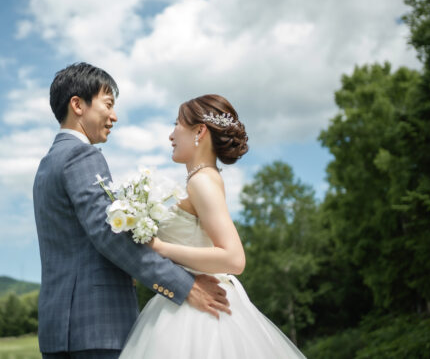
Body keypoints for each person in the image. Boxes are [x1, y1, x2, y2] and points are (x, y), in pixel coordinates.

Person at [33, 63, 230, 359]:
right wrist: (184, 285)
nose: (114, 116)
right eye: (108, 104)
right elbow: (108, 235)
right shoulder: (81, 155)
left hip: (58, 329)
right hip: (98, 327)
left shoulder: (47, 164)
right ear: (78, 105)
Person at [119, 94, 307, 358]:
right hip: (189, 299)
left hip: (198, 314)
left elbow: (233, 258)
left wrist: (160, 247)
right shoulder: (204, 178)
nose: (171, 135)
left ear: (199, 131)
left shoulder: (201, 181)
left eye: (177, 124)